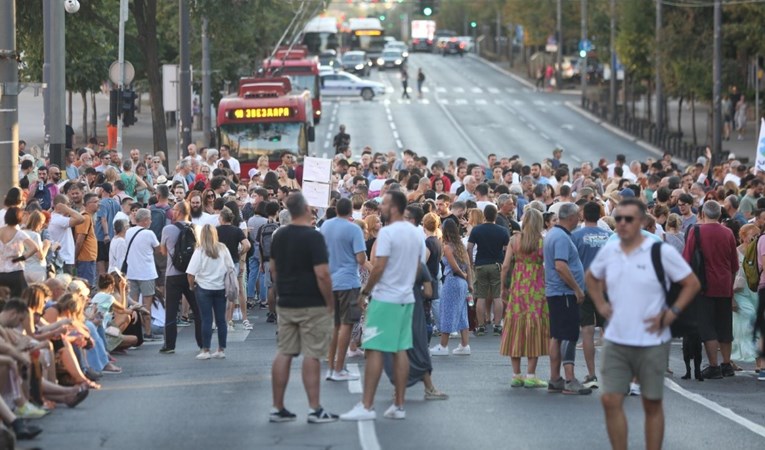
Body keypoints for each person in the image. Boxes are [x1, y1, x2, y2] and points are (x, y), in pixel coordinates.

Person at [586, 198, 700, 450]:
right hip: (616, 338)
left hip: (651, 339)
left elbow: (691, 283)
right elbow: (591, 277)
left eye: (629, 219)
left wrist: (671, 314)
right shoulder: (610, 248)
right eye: (618, 219)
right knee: (610, 400)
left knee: (651, 403)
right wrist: (601, 305)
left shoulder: (660, 250)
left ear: (642, 222)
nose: (622, 224)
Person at [341, 190, 425, 421]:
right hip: (406, 298)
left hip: (385, 297)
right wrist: (406, 282)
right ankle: (398, 404)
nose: (381, 207)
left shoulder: (387, 233)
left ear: (395, 207)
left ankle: (366, 406)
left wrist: (365, 293)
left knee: (375, 349)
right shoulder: (416, 233)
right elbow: (419, 265)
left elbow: (378, 267)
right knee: (400, 349)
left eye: (385, 203)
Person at [269, 193, 338, 424]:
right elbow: (322, 274)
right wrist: (329, 301)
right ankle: (314, 408)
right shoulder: (313, 237)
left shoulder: (279, 236)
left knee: (284, 351)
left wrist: (282, 290)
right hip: (312, 302)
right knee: (313, 354)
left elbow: (274, 268)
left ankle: (277, 407)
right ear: (307, 209)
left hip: (287, 300)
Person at [682, 201, 739, 379]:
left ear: (703, 213)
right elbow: (734, 263)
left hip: (704, 285)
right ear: (720, 215)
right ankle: (726, 364)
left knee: (707, 327)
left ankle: (714, 366)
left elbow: (687, 259)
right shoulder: (728, 232)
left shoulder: (696, 231)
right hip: (724, 284)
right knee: (725, 326)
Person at [543, 202, 591, 395]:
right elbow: (561, 266)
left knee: (557, 335)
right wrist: (577, 289)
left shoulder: (554, 234)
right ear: (571, 217)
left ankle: (555, 379)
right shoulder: (561, 237)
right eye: (578, 215)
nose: (579, 218)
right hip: (564, 293)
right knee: (569, 336)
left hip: (557, 292)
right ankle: (570, 379)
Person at [499, 208, 549, 388]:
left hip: (518, 288)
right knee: (534, 328)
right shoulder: (542, 242)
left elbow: (505, 266)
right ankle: (531, 374)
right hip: (536, 288)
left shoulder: (514, 240)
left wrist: (503, 287)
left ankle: (516, 374)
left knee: (515, 326)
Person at [321, 198, 366, 382]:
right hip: (348, 281)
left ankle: (331, 366)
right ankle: (339, 368)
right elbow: (361, 258)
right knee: (347, 325)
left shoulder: (325, 226)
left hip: (330, 280)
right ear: (351, 212)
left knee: (334, 325)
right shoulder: (354, 228)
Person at [571, 201, 613, 389]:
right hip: (606, 289)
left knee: (587, 332)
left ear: (583, 215)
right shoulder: (611, 236)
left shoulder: (575, 236)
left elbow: (571, 263)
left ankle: (591, 374)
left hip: (584, 288)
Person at [159, 201, 203, 354]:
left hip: (173, 274)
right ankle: (202, 342)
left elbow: (163, 251)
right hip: (192, 273)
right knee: (198, 310)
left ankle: (169, 345)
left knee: (171, 311)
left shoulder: (168, 229)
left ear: (177, 212)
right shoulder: (196, 228)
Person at [186, 224, 235, 360]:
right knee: (221, 320)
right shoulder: (223, 248)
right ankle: (221, 349)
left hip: (203, 287)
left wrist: (191, 286)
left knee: (206, 319)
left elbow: (190, 273)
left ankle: (206, 349)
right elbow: (230, 267)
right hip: (220, 287)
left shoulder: (200, 250)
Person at [429, 219, 471, 356]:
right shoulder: (461, 246)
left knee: (447, 311)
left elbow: (454, 266)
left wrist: (461, 273)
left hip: (453, 280)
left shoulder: (447, 247)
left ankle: (443, 345)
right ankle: (465, 344)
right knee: (462, 313)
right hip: (462, 284)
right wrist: (469, 281)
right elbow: (468, 265)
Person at [467, 204, 509, 336]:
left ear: (484, 215)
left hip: (480, 264)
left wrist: (471, 262)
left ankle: (480, 326)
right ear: (495, 215)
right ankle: (497, 325)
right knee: (497, 296)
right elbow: (507, 249)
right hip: (497, 264)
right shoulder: (502, 230)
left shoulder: (477, 230)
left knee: (481, 296)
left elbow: (469, 247)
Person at [124, 208, 161, 341]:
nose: (151, 221)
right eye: (149, 219)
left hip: (132, 272)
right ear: (145, 221)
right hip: (146, 273)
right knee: (147, 305)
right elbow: (158, 250)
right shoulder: (149, 233)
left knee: (133, 304)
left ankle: (136, 333)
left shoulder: (128, 231)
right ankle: (148, 332)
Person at [732, 224, 759, 364]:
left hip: (755, 292)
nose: (755, 238)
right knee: (749, 316)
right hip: (739, 292)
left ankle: (758, 361)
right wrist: (731, 298)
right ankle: (746, 354)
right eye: (752, 235)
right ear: (743, 236)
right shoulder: (736, 252)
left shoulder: (759, 252)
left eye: (757, 235)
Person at [0, 208, 41, 296]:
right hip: (15, 271)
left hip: (1, 270)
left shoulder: (0, 230)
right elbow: (35, 248)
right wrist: (22, 258)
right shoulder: (19, 233)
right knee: (20, 299)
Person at [48, 195, 85, 275]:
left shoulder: (52, 217)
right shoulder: (58, 219)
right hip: (64, 259)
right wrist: (67, 209)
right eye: (68, 204)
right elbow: (81, 219)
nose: (70, 206)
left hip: (62, 258)